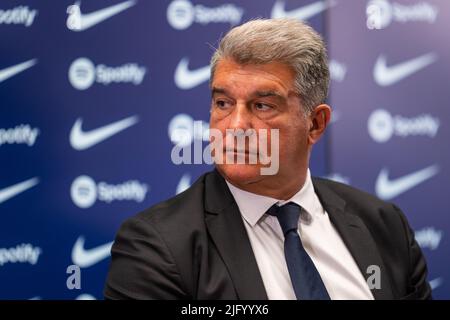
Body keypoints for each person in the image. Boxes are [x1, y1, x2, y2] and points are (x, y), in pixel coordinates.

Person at [104, 18, 431, 300]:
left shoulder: (383, 224)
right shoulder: (155, 247)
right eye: (223, 103)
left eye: (262, 106)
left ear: (315, 123)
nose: (235, 126)